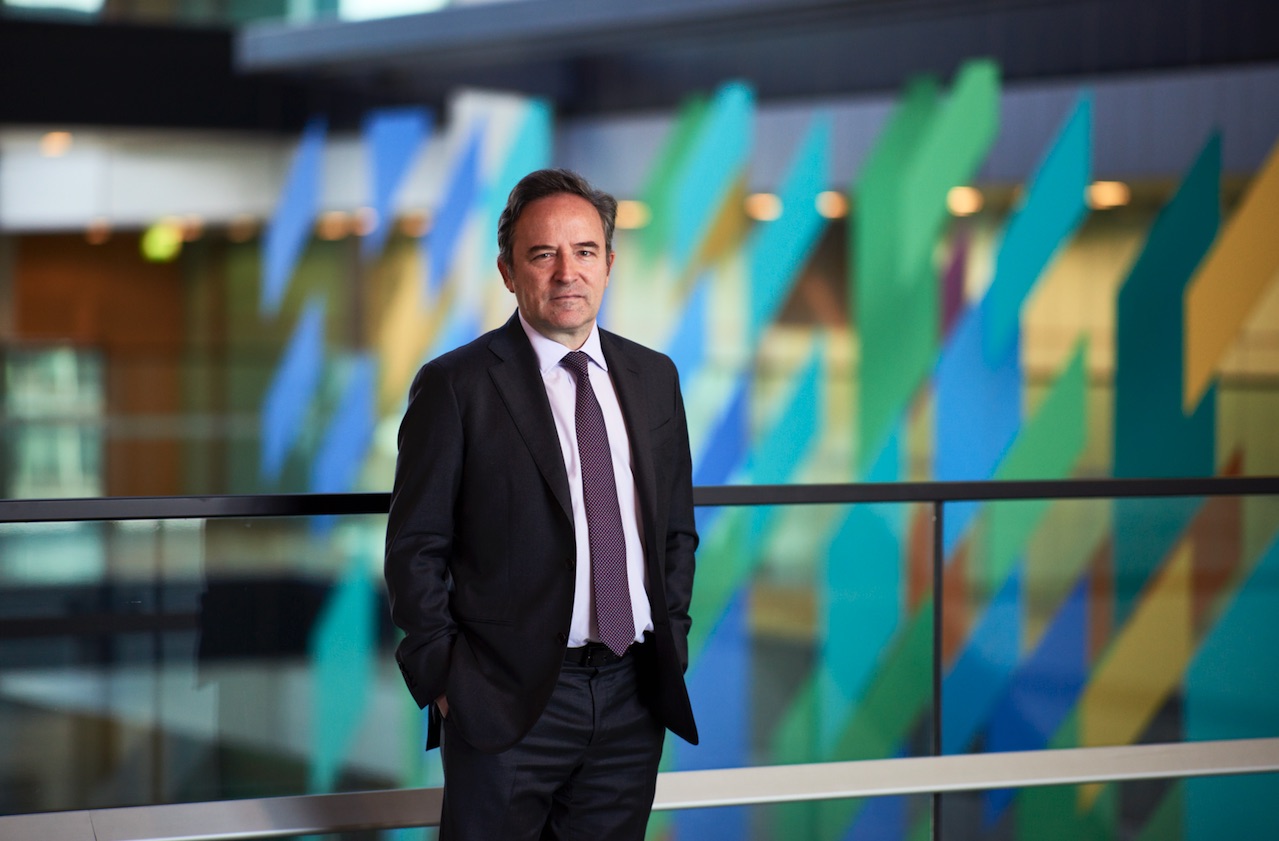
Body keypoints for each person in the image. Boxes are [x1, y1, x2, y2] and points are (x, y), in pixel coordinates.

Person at [385, 168, 699, 841]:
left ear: (609, 263)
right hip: (505, 699)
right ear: (507, 271)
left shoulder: (654, 377)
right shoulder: (456, 385)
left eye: (584, 251)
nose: (566, 273)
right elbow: (415, 547)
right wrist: (446, 679)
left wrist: (671, 637)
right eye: (542, 254)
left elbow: (674, 530)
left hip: (632, 693)